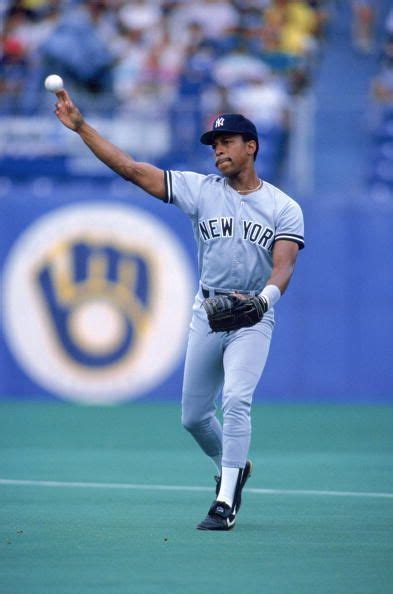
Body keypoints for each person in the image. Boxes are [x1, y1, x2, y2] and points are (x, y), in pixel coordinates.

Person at [53, 90, 304, 531]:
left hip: (255, 314)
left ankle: (224, 501)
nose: (218, 150)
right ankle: (235, 466)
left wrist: (262, 302)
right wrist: (81, 128)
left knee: (236, 399)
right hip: (209, 310)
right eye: (214, 144)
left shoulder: (283, 207)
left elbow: (282, 270)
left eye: (226, 142)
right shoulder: (199, 189)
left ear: (252, 146)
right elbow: (132, 170)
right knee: (193, 417)